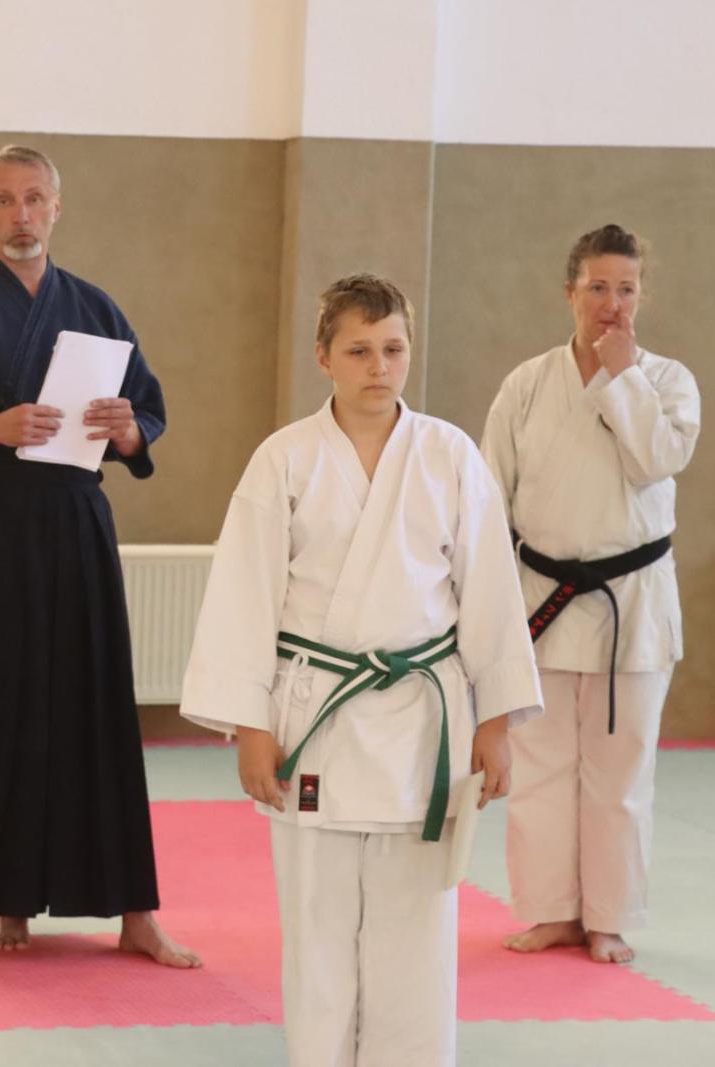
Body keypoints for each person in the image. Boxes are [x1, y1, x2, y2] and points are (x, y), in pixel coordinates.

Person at [181, 275, 542, 1066]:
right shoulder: (284, 459)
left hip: (423, 722)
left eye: (393, 349)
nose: (379, 366)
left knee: (417, 930)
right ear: (324, 357)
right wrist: (249, 724)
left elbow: (489, 591)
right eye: (359, 350)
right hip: (317, 716)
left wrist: (495, 719)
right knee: (318, 930)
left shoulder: (450, 455)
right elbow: (244, 591)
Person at [0, 145, 197, 968]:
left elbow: (145, 418)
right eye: (4, 200)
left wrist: (127, 430)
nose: (20, 213)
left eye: (33, 198)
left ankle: (135, 911)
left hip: (74, 521)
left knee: (97, 707)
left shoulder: (95, 307)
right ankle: (10, 900)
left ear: (56, 208)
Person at [482, 224, 699, 965]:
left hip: (631, 604)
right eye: (598, 287)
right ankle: (552, 912)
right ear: (569, 292)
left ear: (643, 296)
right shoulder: (526, 384)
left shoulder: (667, 380)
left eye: (626, 289)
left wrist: (622, 376)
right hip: (542, 596)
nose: (613, 303)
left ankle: (609, 917)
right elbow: (491, 496)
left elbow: (657, 460)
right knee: (541, 769)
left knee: (620, 773)